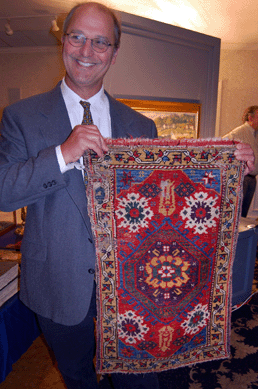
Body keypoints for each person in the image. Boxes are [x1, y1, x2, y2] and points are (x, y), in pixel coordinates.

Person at [0, 2, 254, 388]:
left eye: (100, 42)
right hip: (59, 286)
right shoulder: (21, 116)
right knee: (78, 377)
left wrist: (229, 165)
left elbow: (168, 200)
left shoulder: (140, 125)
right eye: (77, 38)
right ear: (63, 41)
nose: (87, 52)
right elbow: (4, 192)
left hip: (138, 292)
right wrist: (62, 155)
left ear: (114, 53)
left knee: (135, 381)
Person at [223, 105, 258, 217]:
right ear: (250, 118)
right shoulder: (240, 131)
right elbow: (222, 145)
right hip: (242, 179)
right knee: (237, 215)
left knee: (242, 214)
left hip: (251, 180)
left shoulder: (254, 134)